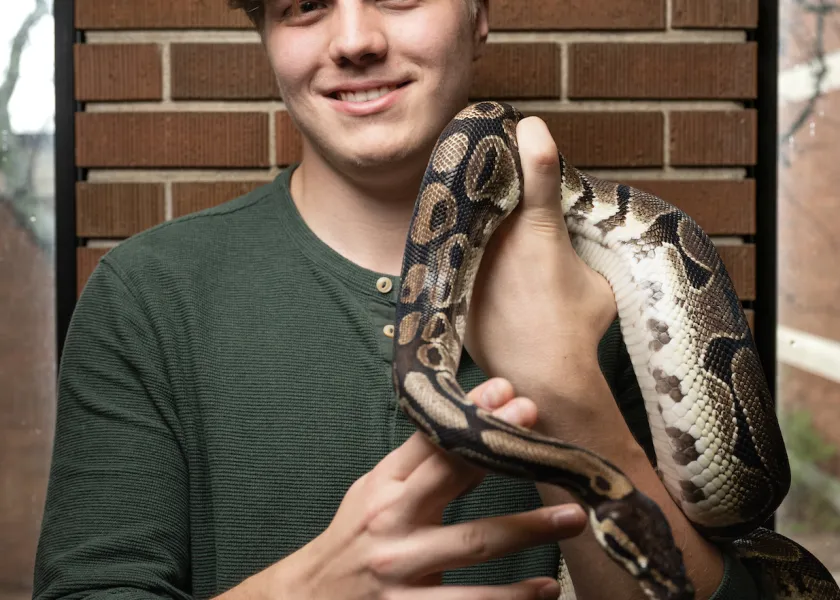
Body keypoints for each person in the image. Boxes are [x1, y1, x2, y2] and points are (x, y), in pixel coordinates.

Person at [33, 0, 765, 598]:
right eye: (304, 5)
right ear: (262, 31)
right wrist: (310, 589)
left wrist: (566, 386)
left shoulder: (632, 291)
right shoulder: (147, 294)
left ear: (478, 12)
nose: (354, 39)